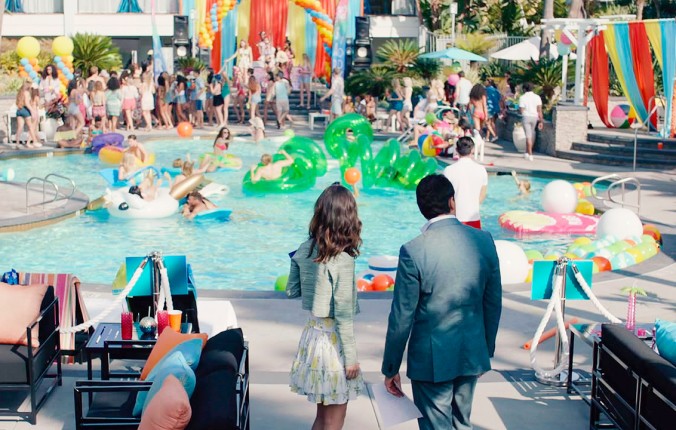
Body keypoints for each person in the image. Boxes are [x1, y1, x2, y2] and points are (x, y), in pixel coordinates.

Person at [381, 174, 502, 430]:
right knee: (462, 423)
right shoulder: (484, 240)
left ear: (421, 208)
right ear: (452, 202)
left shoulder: (413, 250)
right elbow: (493, 302)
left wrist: (391, 366)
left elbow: (402, 316)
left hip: (431, 358)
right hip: (471, 351)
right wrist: (485, 350)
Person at [286, 183, 364, 430]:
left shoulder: (304, 249)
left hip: (312, 338)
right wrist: (351, 359)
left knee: (322, 418)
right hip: (333, 345)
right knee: (334, 420)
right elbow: (343, 316)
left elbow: (292, 290)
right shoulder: (343, 260)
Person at [443, 137, 487, 229]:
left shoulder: (448, 170)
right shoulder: (481, 170)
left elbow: (445, 197)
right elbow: (482, 195)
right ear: (473, 150)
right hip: (474, 217)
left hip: (454, 218)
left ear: (456, 150)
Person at [518, 82, 543, 161]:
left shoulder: (522, 97)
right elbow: (539, 110)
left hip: (526, 117)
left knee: (528, 136)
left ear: (524, 89)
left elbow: (521, 110)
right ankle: (527, 152)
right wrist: (541, 121)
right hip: (534, 117)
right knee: (530, 134)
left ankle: (530, 154)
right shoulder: (537, 97)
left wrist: (523, 112)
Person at [14, 80, 40, 148]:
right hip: (25, 110)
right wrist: (32, 111)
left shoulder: (20, 93)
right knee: (31, 127)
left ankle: (17, 144)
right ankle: (34, 141)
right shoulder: (27, 93)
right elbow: (27, 103)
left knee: (19, 128)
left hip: (19, 110)